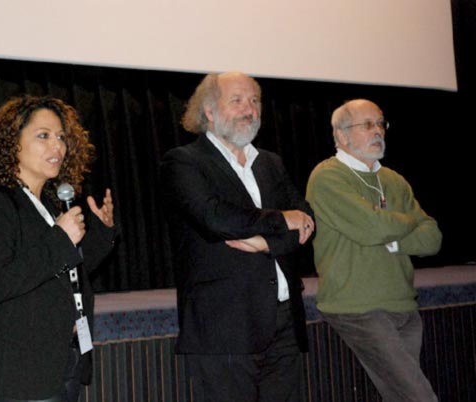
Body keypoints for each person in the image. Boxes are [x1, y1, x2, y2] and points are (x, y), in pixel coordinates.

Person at [160, 71, 314, 402]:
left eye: (255, 100)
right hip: (224, 327)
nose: (249, 109)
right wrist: (280, 221)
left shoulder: (270, 162)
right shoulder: (184, 162)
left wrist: (266, 242)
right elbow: (215, 217)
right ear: (209, 111)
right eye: (237, 100)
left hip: (284, 321)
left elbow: (305, 220)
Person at [0, 95, 117, 402]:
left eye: (61, 137)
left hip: (65, 358)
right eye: (43, 136)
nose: (57, 146)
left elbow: (67, 273)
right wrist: (61, 238)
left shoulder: (48, 205)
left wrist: (103, 233)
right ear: (12, 144)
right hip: (25, 368)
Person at [306, 99, 442, 402]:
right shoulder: (327, 177)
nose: (378, 131)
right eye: (367, 125)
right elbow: (372, 229)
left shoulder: (394, 180)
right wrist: (405, 224)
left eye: (381, 123)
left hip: (403, 305)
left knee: (400, 396)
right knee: (418, 396)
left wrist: (393, 238)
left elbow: (432, 238)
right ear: (342, 136)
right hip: (358, 308)